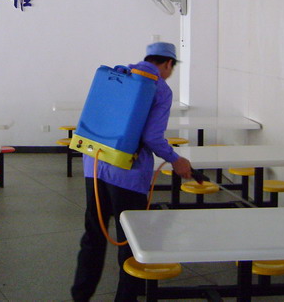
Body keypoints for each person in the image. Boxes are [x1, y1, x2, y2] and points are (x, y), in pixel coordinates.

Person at [71, 42, 194, 302]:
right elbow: (152, 137)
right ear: (168, 63)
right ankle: (126, 298)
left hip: (94, 164)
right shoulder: (159, 88)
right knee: (130, 239)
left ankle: (80, 294)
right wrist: (175, 159)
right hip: (127, 172)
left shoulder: (119, 76)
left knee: (94, 233)